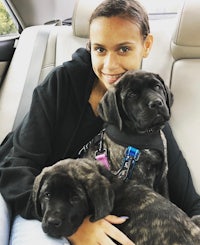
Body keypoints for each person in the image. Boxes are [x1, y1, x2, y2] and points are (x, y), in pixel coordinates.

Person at [0, 0, 200, 244]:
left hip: (106, 218)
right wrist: (74, 228)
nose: (110, 64)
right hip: (39, 209)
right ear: (90, 48)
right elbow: (17, 168)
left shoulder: (149, 113)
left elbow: (188, 199)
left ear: (146, 46)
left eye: (124, 49)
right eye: (100, 50)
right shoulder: (61, 86)